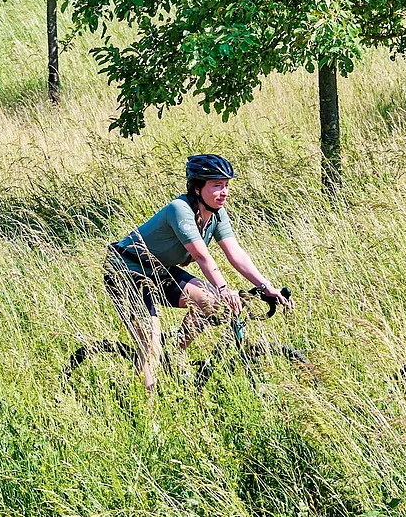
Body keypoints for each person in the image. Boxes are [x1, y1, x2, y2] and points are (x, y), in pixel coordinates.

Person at [104, 154, 287, 392]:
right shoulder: (179, 210)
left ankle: (176, 354)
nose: (224, 192)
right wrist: (223, 288)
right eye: (216, 185)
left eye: (226, 185)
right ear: (197, 188)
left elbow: (235, 253)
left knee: (209, 302)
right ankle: (148, 416)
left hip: (159, 271)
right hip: (125, 271)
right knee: (150, 343)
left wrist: (266, 286)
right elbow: (201, 256)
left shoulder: (216, 214)